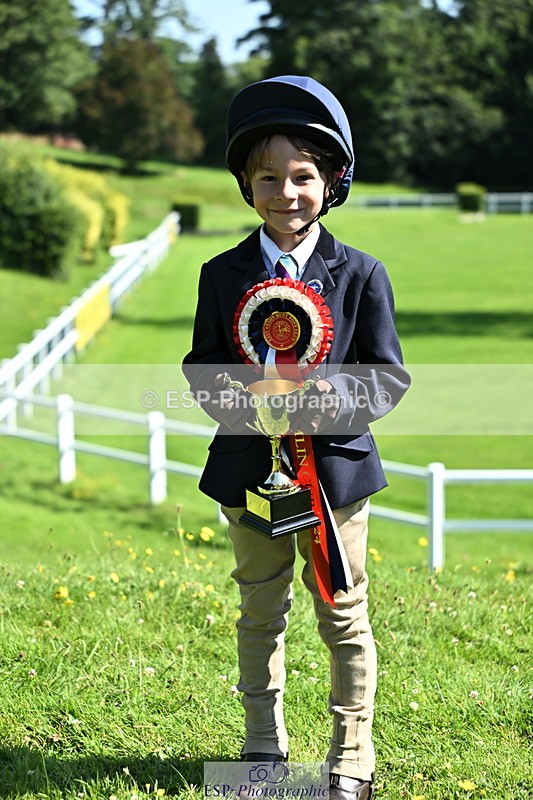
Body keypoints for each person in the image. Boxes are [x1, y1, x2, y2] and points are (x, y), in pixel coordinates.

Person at [183, 75, 410, 800]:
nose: (287, 192)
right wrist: (253, 404)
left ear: (332, 180)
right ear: (247, 185)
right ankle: (260, 754)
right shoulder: (220, 276)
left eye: (303, 177)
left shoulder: (362, 275)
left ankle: (349, 760)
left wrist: (312, 401)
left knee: (342, 614)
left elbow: (385, 378)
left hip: (335, 480)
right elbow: (201, 369)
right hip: (250, 475)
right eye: (269, 178)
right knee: (258, 611)